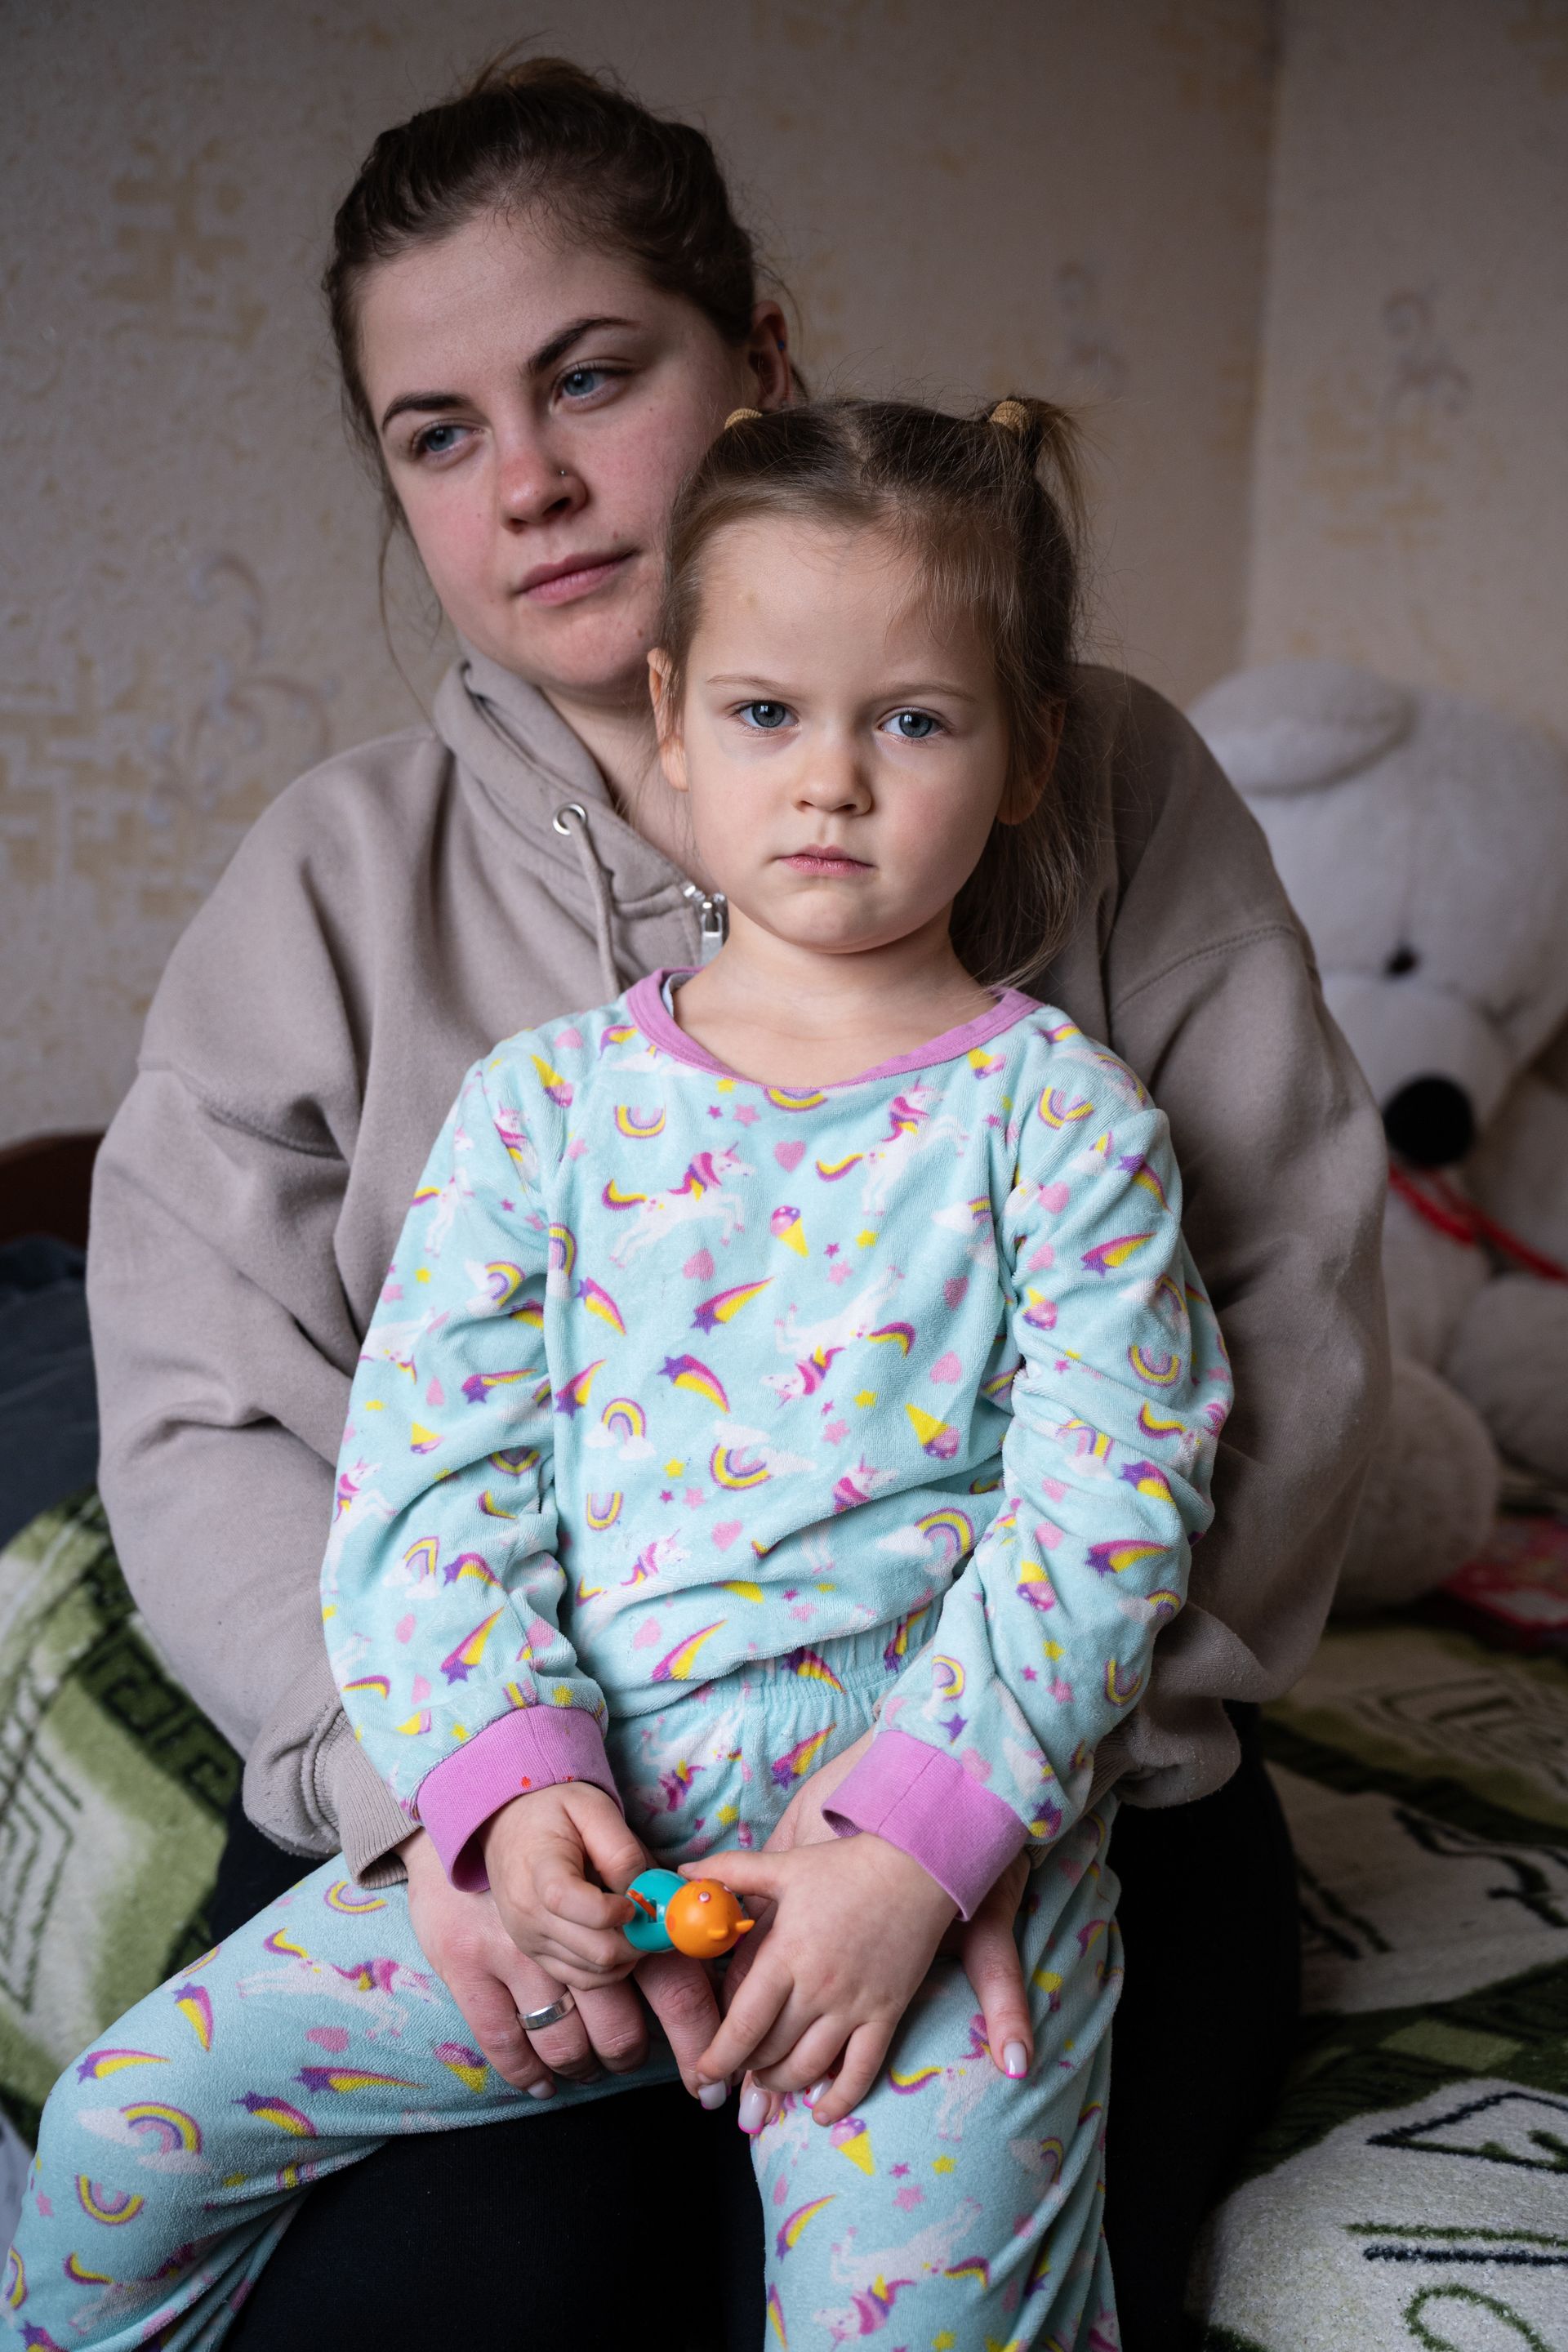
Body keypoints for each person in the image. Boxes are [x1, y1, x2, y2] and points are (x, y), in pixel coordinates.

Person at [71, 54, 1386, 2352]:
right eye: (440, 430)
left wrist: (954, 1817)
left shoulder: (1109, 815)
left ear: (758, 359)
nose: (539, 482)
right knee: (454, 2306)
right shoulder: (354, 905)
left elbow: (1261, 1358)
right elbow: (217, 1434)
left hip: (1021, 1792)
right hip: (516, 1825)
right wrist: (467, 1817)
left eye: (595, 373)